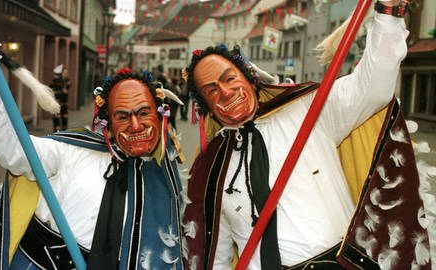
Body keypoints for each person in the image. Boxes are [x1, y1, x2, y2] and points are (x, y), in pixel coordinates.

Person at [182, 1, 434, 269]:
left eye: (229, 79)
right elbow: (214, 252)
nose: (226, 92)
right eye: (212, 90)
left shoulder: (310, 110)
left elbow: (373, 88)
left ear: (249, 78)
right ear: (206, 106)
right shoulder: (211, 168)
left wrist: (388, 14)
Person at [0, 37, 186, 270]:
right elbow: (15, 152)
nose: (135, 125)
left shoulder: (164, 178)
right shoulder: (71, 149)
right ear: (108, 123)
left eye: (143, 113)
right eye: (122, 116)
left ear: (161, 114)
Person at [50, 64, 70, 132]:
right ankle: (56, 132)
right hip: (56, 103)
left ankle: (64, 131)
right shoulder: (55, 81)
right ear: (61, 73)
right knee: (56, 119)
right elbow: (51, 88)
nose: (65, 74)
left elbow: (67, 88)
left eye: (66, 73)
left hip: (64, 103)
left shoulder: (67, 81)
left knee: (64, 118)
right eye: (64, 73)